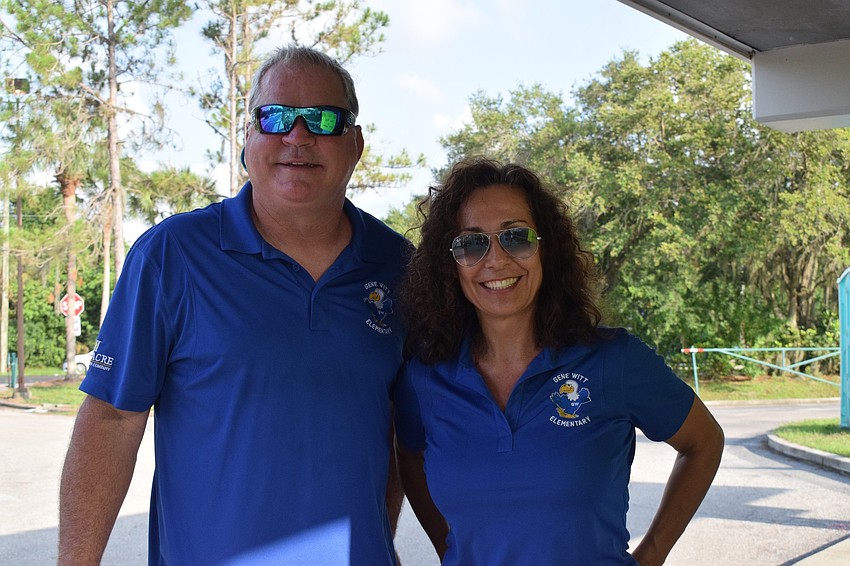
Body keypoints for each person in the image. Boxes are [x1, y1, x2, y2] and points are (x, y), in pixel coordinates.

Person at [59, 46, 410, 565]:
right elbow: (112, 419)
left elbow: (402, 434)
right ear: (248, 138)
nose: (298, 136)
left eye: (323, 119)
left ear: (355, 143)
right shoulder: (172, 255)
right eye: (276, 117)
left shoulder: (402, 268)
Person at [394, 158, 725, 565]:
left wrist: (652, 554)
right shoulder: (426, 378)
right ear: (450, 264)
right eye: (471, 243)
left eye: (515, 237)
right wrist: (448, 548)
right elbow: (409, 455)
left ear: (544, 247)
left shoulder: (613, 361)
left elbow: (703, 442)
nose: (495, 260)